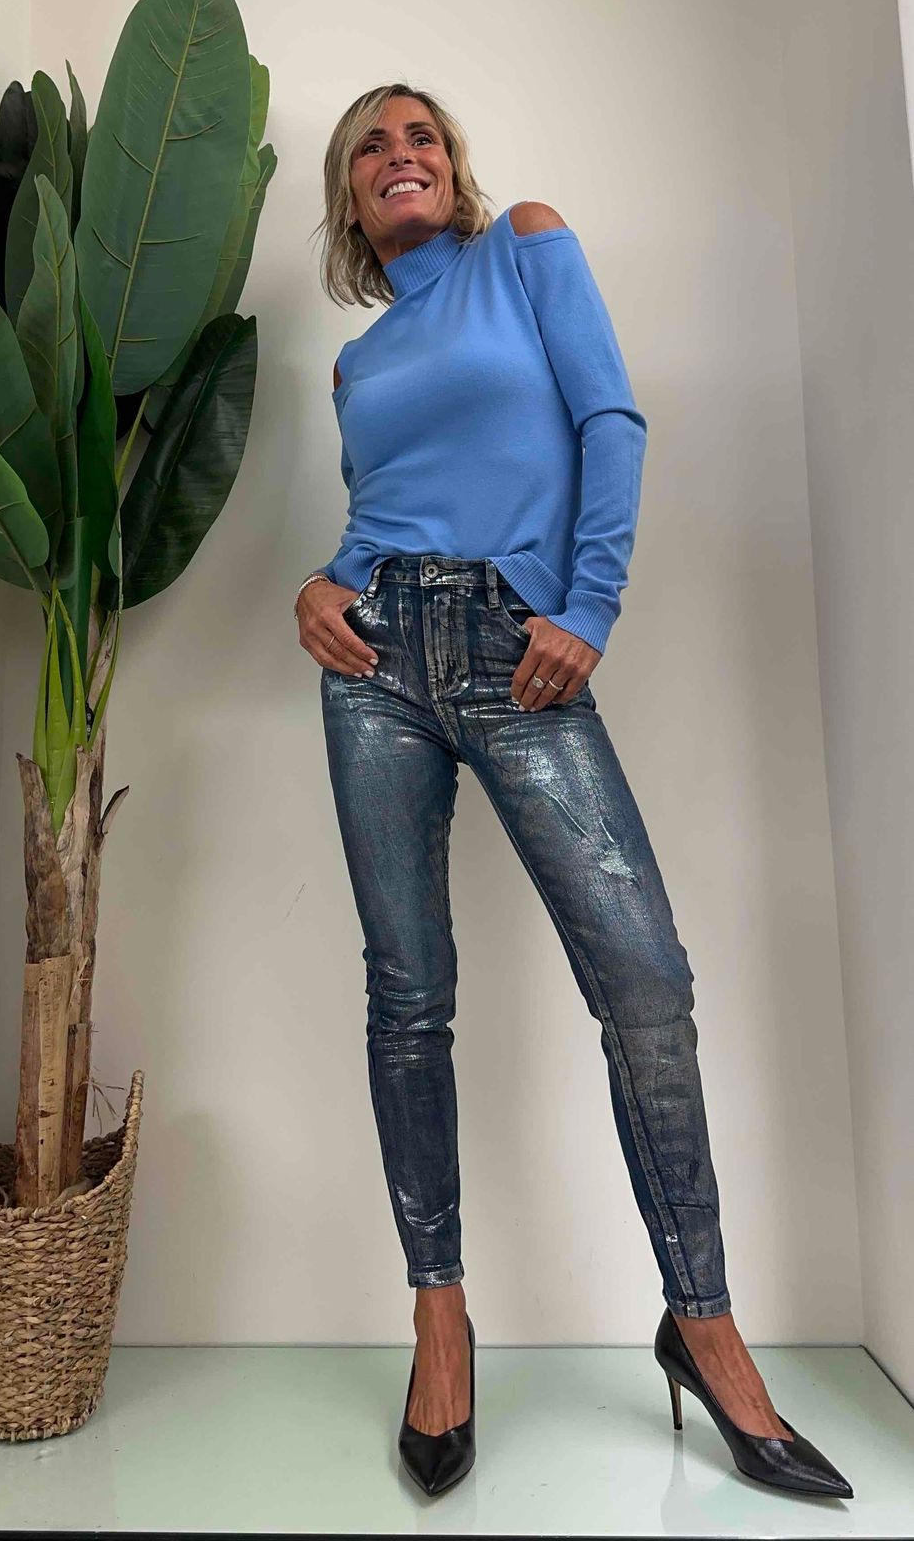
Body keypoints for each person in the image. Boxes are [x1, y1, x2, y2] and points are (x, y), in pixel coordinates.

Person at [293, 83, 853, 1502]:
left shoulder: (525, 248)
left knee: (645, 986)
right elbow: (378, 513)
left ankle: (703, 1328)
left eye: (421, 136)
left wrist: (586, 608)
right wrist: (319, 586)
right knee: (408, 997)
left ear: (454, 167)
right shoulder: (356, 364)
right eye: (371, 147)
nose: (400, 156)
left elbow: (611, 420)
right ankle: (439, 1322)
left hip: (516, 648)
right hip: (373, 664)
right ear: (349, 197)